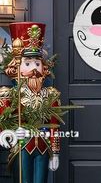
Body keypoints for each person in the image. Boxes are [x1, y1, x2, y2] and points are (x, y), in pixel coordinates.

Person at [0, 22, 61, 183]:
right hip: (21, 147)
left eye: (37, 64)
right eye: (27, 64)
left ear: (44, 68)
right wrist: (12, 133)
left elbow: (54, 125)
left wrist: (55, 152)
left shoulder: (50, 95)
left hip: (43, 146)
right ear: (17, 68)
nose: (34, 69)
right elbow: (2, 124)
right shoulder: (10, 94)